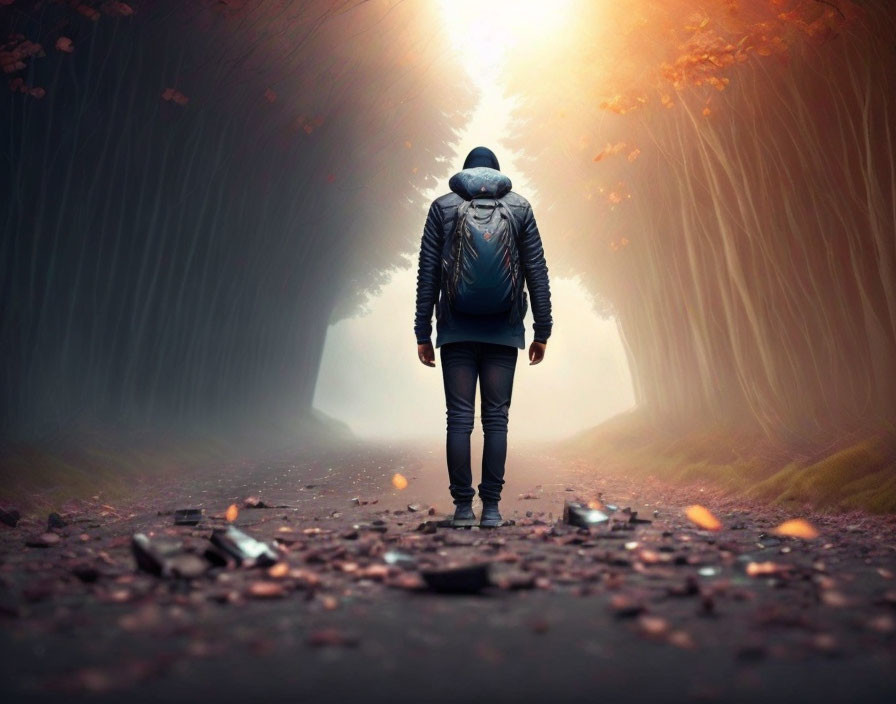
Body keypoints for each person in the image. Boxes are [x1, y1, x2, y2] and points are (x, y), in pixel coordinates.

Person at [414, 146, 553, 528]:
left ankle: (462, 508)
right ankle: (490, 508)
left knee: (458, 419)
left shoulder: (442, 207)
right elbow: (536, 270)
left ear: (465, 173)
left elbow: (428, 273)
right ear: (496, 173)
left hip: (455, 330)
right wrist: (543, 329)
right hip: (504, 330)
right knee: (496, 420)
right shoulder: (519, 208)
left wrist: (422, 331)